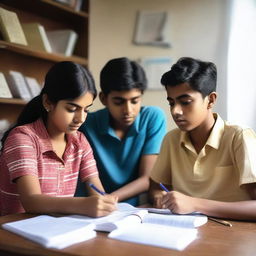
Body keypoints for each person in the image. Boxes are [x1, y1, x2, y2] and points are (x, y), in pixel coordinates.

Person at [0, 61, 117, 217]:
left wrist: (104, 202)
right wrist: (83, 204)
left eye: (86, 110)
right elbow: (31, 201)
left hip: (56, 231)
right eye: (72, 109)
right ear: (48, 102)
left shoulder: (80, 142)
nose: (80, 118)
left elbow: (97, 191)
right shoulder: (22, 138)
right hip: (13, 232)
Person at [149, 57, 256, 220]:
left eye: (185, 102)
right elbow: (156, 187)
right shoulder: (171, 140)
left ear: (211, 100)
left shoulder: (238, 137)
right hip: (182, 230)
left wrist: (195, 204)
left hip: (231, 234)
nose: (176, 111)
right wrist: (159, 197)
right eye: (171, 103)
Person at [76, 57, 166, 206]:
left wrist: (109, 199)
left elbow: (147, 178)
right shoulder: (86, 123)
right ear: (104, 99)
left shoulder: (152, 118)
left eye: (135, 101)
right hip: (91, 206)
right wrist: (101, 202)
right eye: (118, 102)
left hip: (128, 209)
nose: (128, 110)